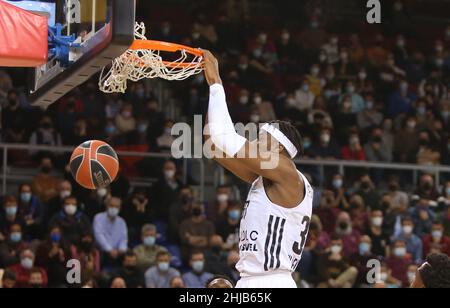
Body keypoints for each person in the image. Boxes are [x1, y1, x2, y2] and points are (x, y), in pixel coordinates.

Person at [202, 50, 313, 288]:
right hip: (252, 280)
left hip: (271, 282)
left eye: (261, 137)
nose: (254, 141)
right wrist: (211, 93)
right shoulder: (265, 178)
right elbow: (212, 143)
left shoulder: (286, 171)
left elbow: (223, 137)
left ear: (279, 147)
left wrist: (217, 84)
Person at [93, 197, 128, 265]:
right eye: (111, 206)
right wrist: (109, 250)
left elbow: (124, 238)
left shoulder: (122, 221)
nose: (114, 208)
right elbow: (99, 235)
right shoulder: (98, 217)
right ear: (107, 206)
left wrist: (121, 249)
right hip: (102, 251)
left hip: (118, 252)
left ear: (120, 209)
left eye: (116, 206)